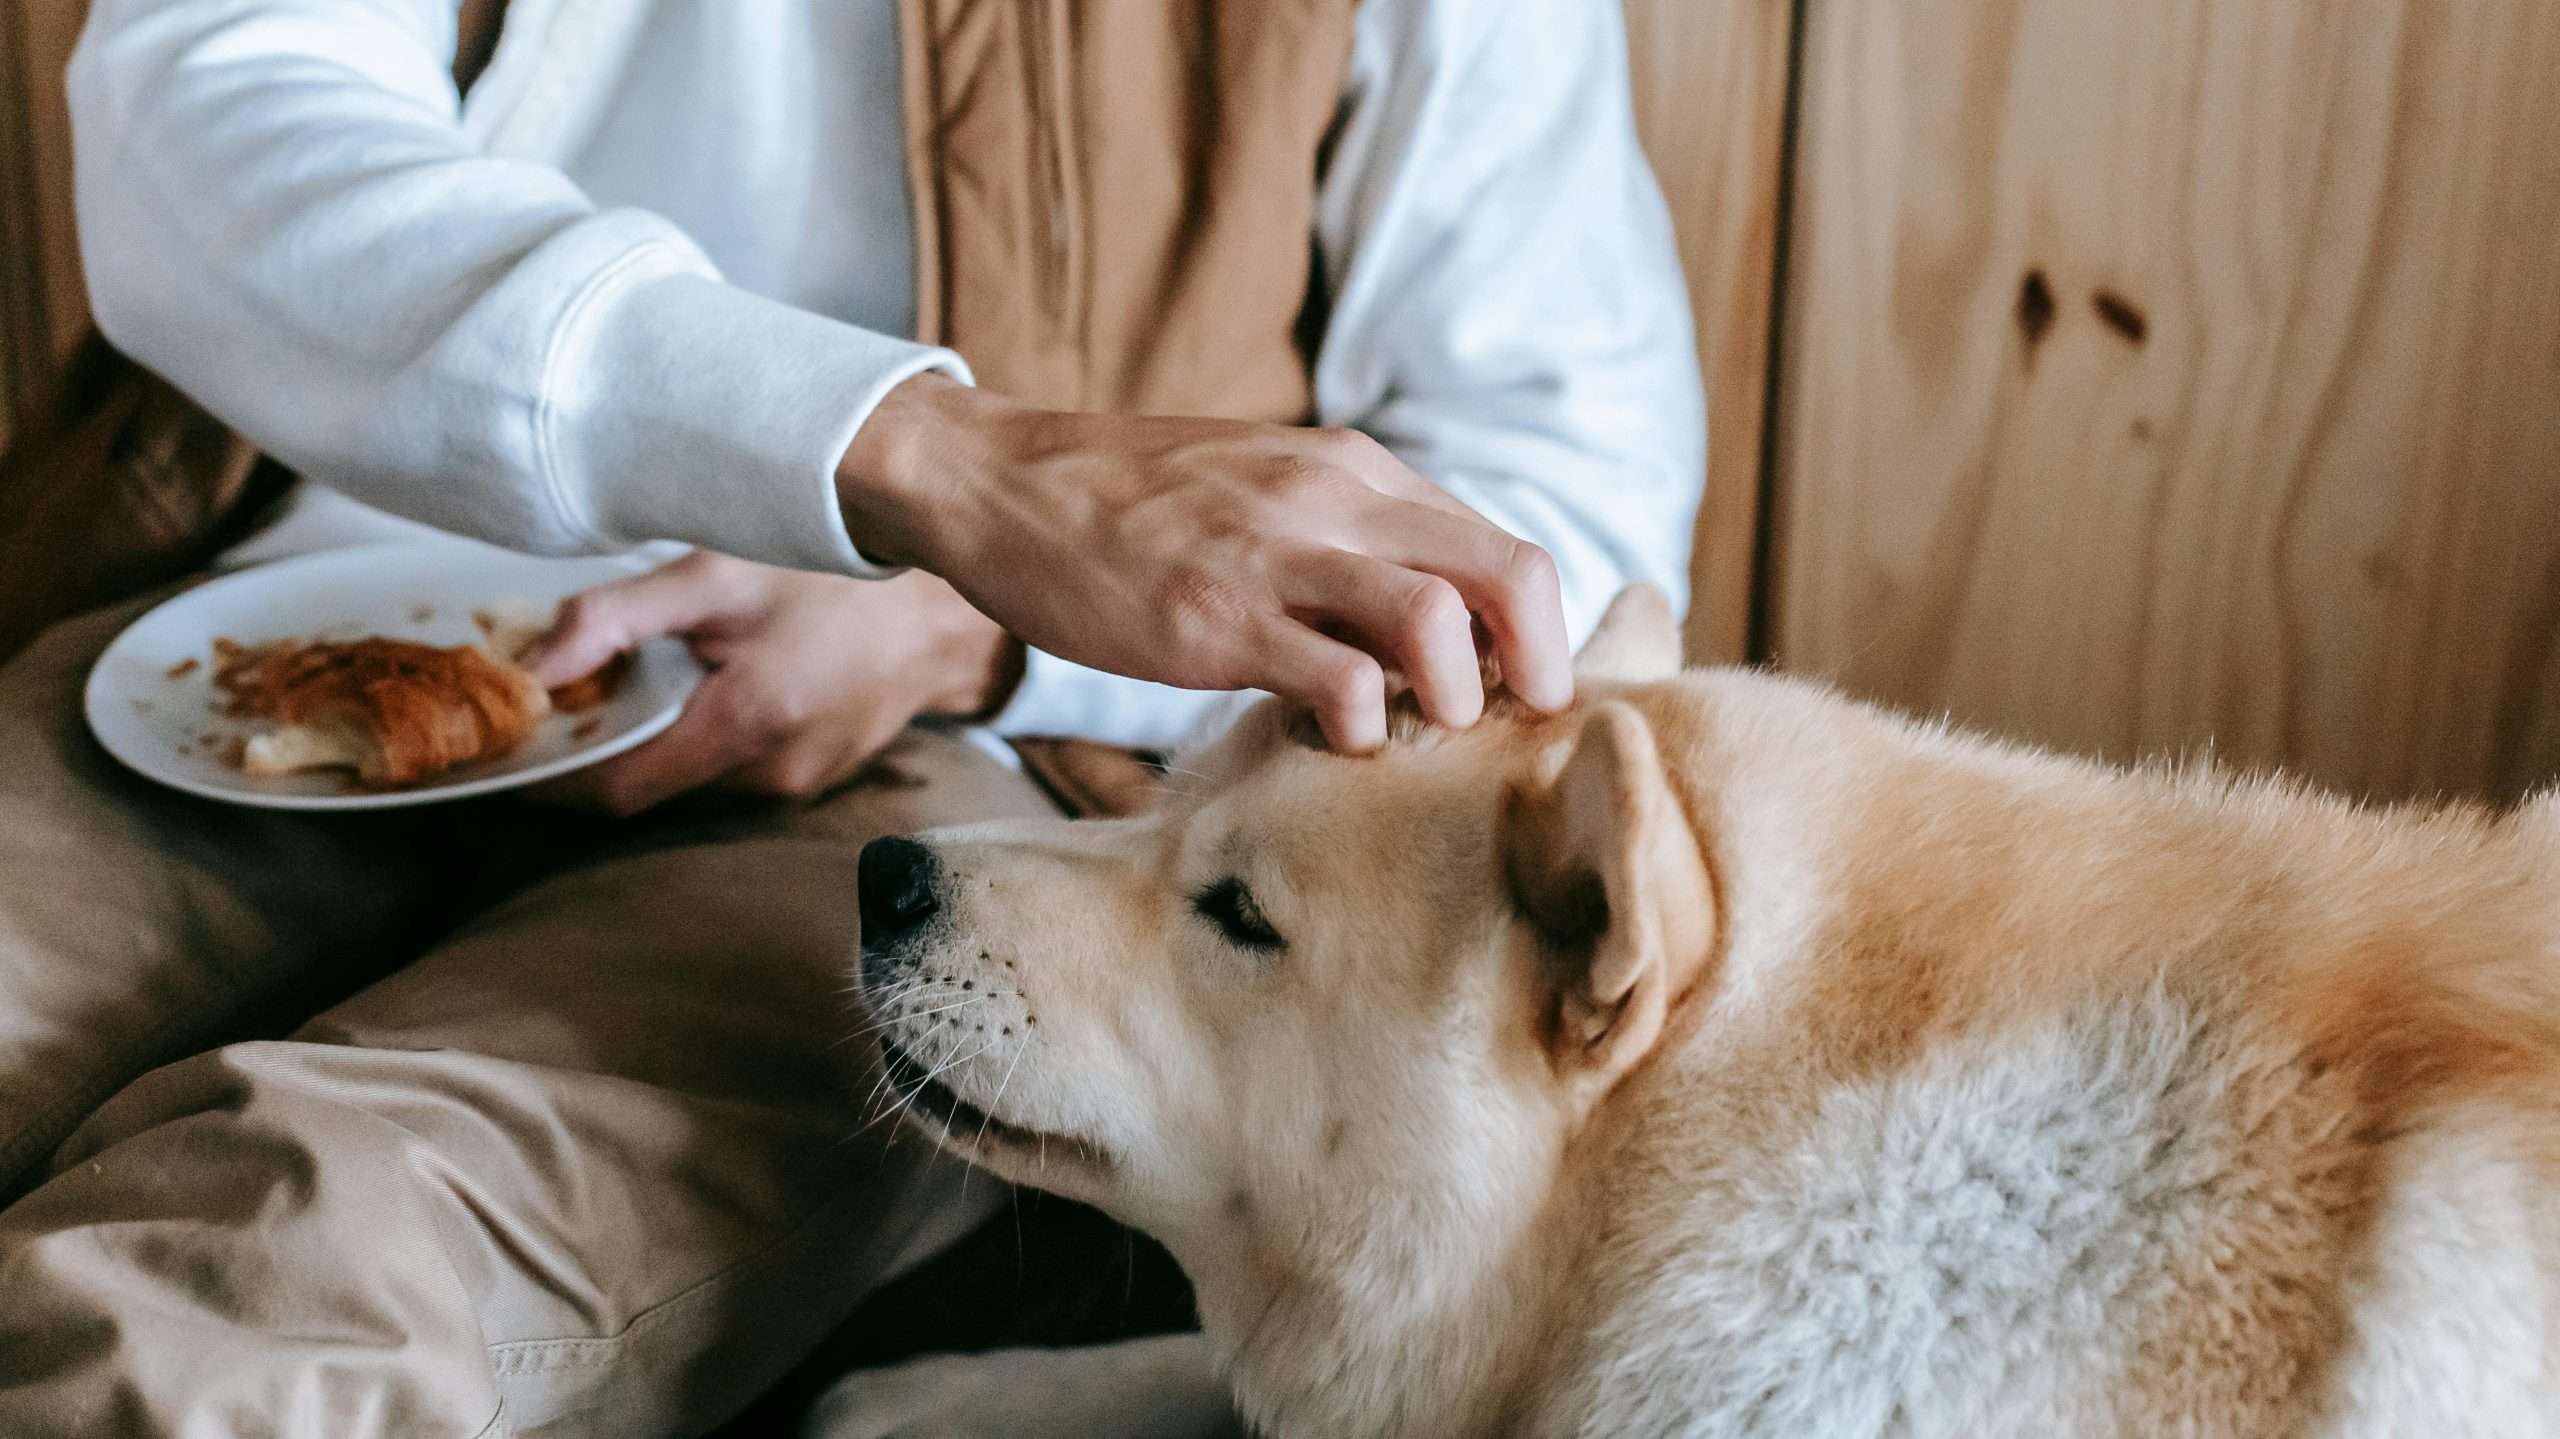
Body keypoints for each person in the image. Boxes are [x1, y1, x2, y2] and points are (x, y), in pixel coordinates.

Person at [0, 0, 1704, 1434]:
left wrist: (971, 626)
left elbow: (1567, 515)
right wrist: (913, 465)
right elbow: (200, 104)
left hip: (968, 755)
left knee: (273, 1275)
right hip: (265, 636)